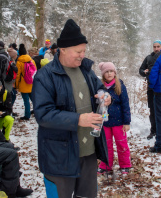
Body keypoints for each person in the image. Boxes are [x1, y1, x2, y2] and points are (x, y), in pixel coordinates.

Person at [31, 19, 111, 198]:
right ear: (63, 49)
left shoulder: (86, 70)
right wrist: (78, 119)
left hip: (88, 153)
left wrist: (104, 95)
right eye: (78, 51)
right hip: (59, 157)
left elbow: (100, 87)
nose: (82, 55)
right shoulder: (45, 76)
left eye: (84, 51)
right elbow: (43, 114)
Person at [97, 62, 131, 175]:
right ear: (103, 74)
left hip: (119, 121)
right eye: (106, 72)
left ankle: (125, 165)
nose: (109, 73)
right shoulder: (100, 86)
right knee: (106, 145)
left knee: (121, 143)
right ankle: (106, 165)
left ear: (114, 73)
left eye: (111, 71)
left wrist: (127, 122)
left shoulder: (119, 85)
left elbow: (125, 104)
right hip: (105, 122)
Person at [139, 40, 161, 140]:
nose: (156, 48)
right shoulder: (148, 58)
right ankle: (153, 131)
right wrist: (144, 72)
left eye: (158, 46)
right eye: (154, 47)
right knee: (153, 110)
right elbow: (140, 70)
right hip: (151, 89)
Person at [15, 44, 37, 121]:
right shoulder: (31, 60)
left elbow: (17, 75)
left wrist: (16, 85)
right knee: (34, 99)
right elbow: (35, 72)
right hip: (32, 83)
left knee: (26, 101)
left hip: (23, 84)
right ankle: (37, 112)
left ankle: (27, 115)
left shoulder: (19, 62)